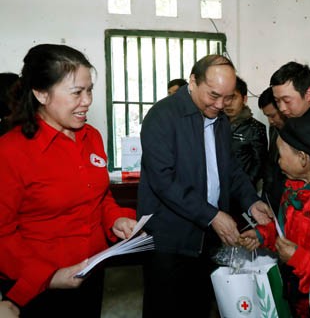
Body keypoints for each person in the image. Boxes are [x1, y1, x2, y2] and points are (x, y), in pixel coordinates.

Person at [0, 44, 137, 317]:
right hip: (39, 285)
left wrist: (116, 220)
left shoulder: (92, 137)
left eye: (89, 90)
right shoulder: (11, 151)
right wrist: (50, 276)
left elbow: (99, 197)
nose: (87, 101)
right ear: (41, 94)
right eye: (77, 92)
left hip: (91, 272)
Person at [137, 54, 273, 317]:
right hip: (170, 241)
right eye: (213, 95)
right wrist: (211, 215)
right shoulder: (162, 116)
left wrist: (251, 201)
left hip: (207, 239)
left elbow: (229, 169)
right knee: (167, 308)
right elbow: (163, 181)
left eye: (227, 97)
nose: (221, 104)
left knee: (199, 306)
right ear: (193, 81)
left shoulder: (219, 119)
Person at [240, 114, 310, 318]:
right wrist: (263, 235)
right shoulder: (293, 189)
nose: (277, 161)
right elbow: (285, 230)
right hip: (292, 289)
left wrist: (297, 258)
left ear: (302, 158)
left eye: (280, 154)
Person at [224, 76, 268, 189]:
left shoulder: (255, 128)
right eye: (225, 98)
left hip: (242, 192)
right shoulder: (214, 124)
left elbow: (259, 165)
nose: (228, 103)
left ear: (244, 99)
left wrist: (244, 188)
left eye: (233, 98)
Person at [270, 61, 310, 128]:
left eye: (287, 101)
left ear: (308, 94)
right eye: (277, 101)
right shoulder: (296, 118)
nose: (281, 108)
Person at [258, 86, 287, 214]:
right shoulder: (274, 128)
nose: (270, 121)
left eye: (273, 115)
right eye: (267, 116)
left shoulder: (298, 133)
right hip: (273, 194)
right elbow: (271, 162)